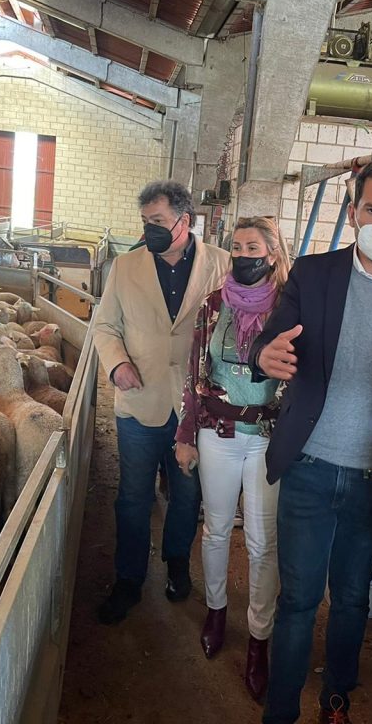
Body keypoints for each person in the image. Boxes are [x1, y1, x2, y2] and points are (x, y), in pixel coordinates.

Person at [250, 159, 372, 724]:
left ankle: (335, 698)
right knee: (297, 599)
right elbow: (267, 343)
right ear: (352, 211)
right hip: (310, 466)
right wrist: (263, 357)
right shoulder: (314, 275)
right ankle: (281, 710)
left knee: (353, 600)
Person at [92, 180, 230, 625]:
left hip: (194, 406)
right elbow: (105, 327)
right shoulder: (126, 266)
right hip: (139, 401)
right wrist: (116, 365)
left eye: (157, 222)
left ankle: (176, 565)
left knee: (187, 494)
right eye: (145, 222)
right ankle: (129, 579)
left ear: (184, 221)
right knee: (133, 496)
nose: (149, 229)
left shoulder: (221, 265)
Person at [174, 216, 291, 703]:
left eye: (254, 247)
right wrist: (186, 432)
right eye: (237, 247)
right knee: (218, 527)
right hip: (217, 431)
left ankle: (259, 640)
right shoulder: (212, 306)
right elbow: (195, 373)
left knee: (264, 542)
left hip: (267, 435)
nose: (244, 255)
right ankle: (217, 610)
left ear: (272, 253)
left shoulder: (290, 307)